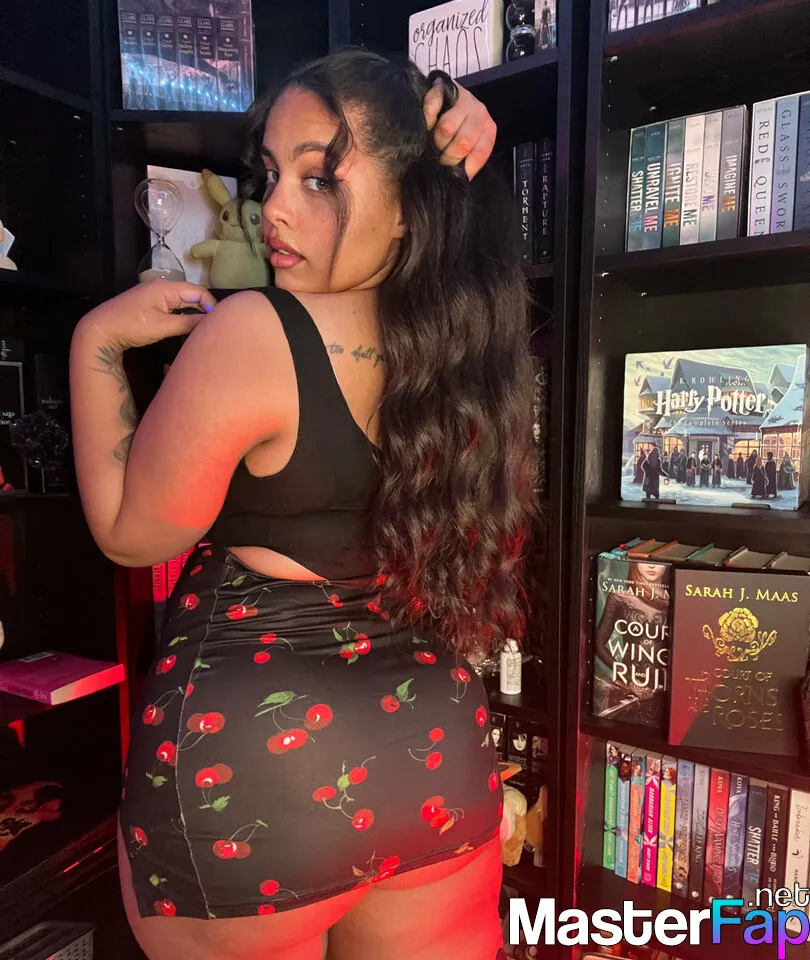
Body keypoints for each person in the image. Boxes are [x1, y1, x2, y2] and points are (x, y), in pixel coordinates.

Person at [69, 52, 536, 960]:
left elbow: (133, 535)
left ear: (410, 204)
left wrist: (97, 344)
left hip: (259, 788)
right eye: (271, 174)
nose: (274, 208)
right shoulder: (470, 351)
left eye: (320, 178)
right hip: (437, 769)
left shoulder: (257, 331)